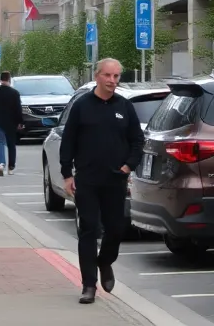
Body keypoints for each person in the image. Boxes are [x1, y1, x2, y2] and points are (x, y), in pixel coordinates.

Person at [60, 58, 143, 304]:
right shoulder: (82, 106)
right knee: (88, 229)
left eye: (116, 76)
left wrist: (129, 166)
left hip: (115, 180)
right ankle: (88, 285)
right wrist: (67, 174)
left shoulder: (124, 107)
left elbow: (137, 140)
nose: (112, 81)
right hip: (86, 179)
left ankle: (105, 261)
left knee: (116, 229)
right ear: (97, 76)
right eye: (108, 75)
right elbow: (68, 142)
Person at [0, 72, 22, 177]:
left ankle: (1, 164)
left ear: (0, 80)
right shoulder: (15, 93)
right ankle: (11, 168)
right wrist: (20, 122)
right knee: (11, 145)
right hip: (11, 123)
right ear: (9, 80)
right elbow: (18, 109)